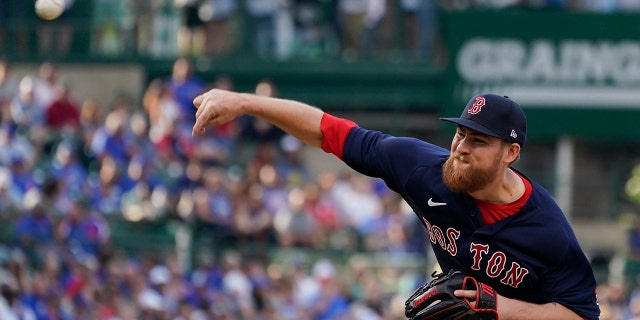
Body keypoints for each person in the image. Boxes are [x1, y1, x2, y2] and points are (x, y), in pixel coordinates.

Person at [190, 89, 601, 319]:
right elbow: (328, 132)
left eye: (479, 141)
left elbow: (582, 316)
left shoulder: (547, 230)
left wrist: (500, 307)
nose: (460, 148)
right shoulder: (422, 169)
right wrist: (244, 103)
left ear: (510, 154)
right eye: (460, 134)